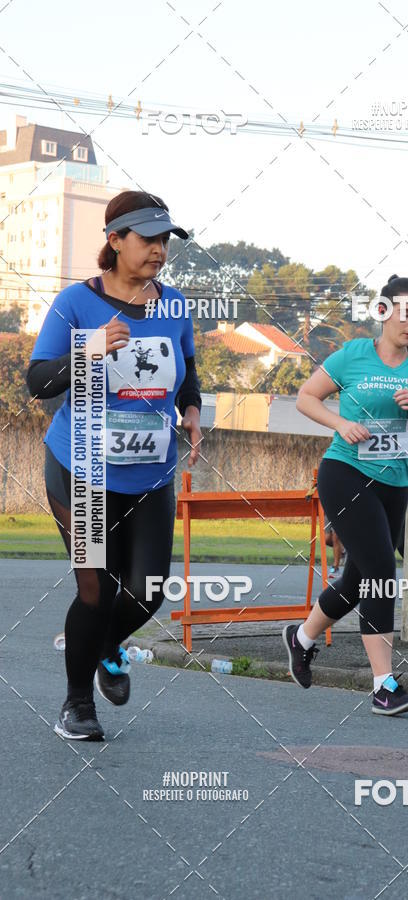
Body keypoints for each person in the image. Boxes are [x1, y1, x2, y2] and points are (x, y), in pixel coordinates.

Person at [26, 190, 203, 741]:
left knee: (149, 590)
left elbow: (188, 373)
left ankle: (106, 646)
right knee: (96, 589)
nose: (158, 250)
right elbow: (37, 382)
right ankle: (77, 704)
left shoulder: (174, 306)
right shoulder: (76, 304)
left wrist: (192, 410)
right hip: (80, 469)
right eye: (147, 239)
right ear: (115, 240)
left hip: (150, 473)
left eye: (164, 240)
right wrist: (90, 347)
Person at [282, 275, 408, 715]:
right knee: (381, 568)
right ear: (383, 312)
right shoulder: (353, 355)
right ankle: (384, 684)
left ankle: (300, 638)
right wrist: (340, 424)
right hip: (344, 471)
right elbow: (306, 397)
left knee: (357, 581)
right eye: (405, 312)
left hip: (393, 484)